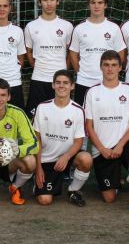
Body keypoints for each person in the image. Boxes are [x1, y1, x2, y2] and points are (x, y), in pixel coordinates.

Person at [85, 50, 129, 213]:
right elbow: (88, 126)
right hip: (102, 150)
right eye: (106, 65)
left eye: (114, 65)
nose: (110, 69)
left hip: (124, 145)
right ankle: (117, 179)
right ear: (101, 67)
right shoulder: (92, 92)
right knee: (109, 198)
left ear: (120, 67)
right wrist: (102, 149)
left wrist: (120, 145)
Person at [33, 70, 92, 206]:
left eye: (65, 83)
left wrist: (66, 157)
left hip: (67, 158)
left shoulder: (78, 110)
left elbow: (79, 141)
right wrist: (38, 168)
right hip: (47, 160)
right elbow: (37, 140)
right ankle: (38, 185)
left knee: (86, 159)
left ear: (72, 86)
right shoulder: (42, 108)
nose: (61, 86)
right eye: (58, 82)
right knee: (45, 200)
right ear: (53, 85)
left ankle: (73, 190)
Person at [70, 0, 126, 107]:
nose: (96, 6)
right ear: (88, 5)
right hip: (84, 81)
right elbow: (73, 54)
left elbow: (121, 53)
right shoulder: (79, 28)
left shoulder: (113, 28)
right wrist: (81, 71)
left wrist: (113, 72)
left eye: (100, 3)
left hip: (107, 81)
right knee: (83, 117)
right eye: (93, 3)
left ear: (105, 5)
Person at [25, 0, 73, 118]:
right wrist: (36, 66)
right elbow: (28, 51)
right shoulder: (31, 26)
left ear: (58, 2)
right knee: (36, 117)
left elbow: (70, 51)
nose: (49, 3)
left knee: (60, 115)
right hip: (39, 78)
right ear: (39, 2)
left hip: (60, 80)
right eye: (45, 0)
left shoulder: (67, 26)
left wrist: (64, 69)